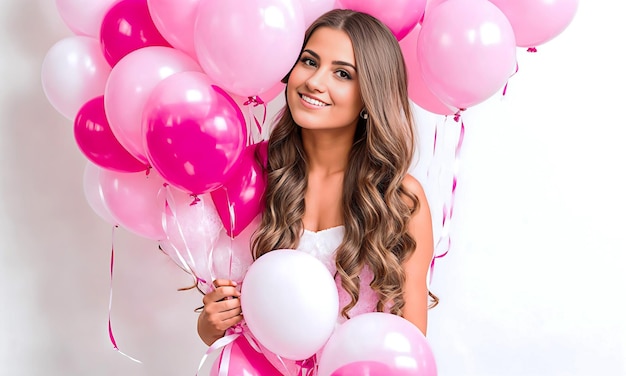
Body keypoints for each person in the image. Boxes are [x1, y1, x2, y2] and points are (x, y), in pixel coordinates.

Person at [197, 8, 437, 350]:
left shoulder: (400, 200)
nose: (314, 81)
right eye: (309, 61)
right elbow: (219, 330)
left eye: (341, 73)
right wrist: (212, 321)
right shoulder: (253, 171)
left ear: (370, 96)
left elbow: (410, 346)